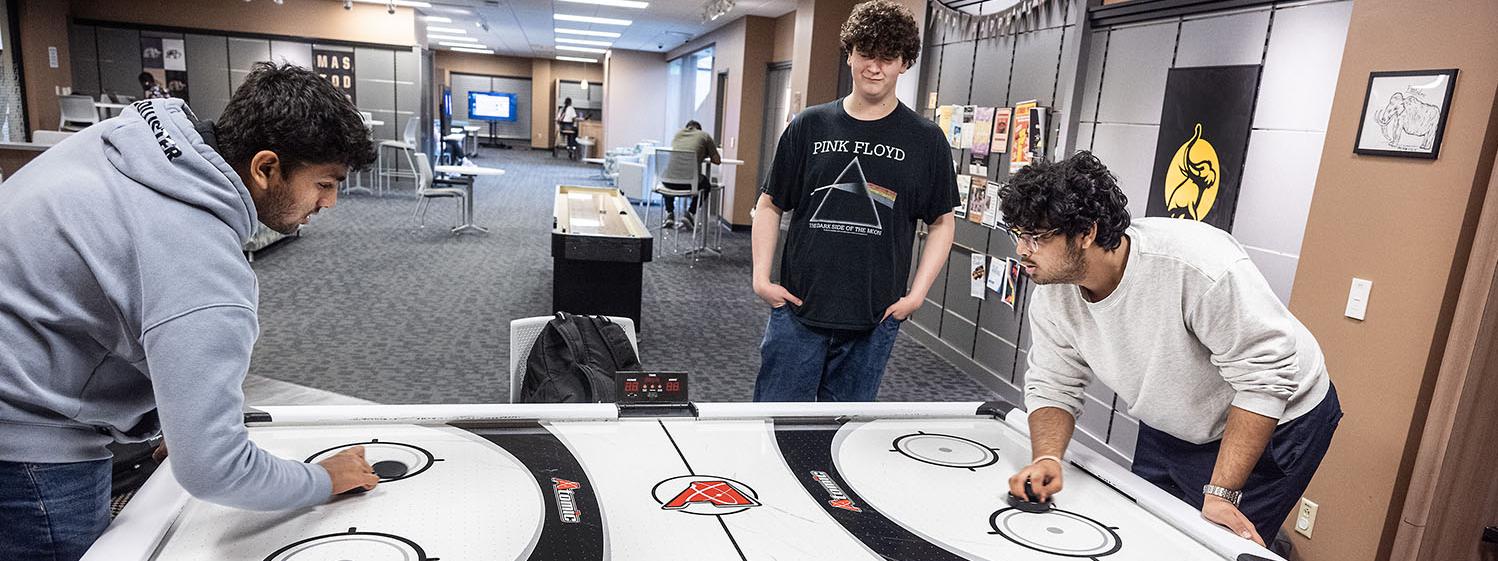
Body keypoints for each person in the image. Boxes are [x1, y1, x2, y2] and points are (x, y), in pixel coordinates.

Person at [0, 62, 380, 561]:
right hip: (28, 445)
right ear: (265, 169)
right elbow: (215, 470)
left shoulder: (133, 137)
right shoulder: (204, 267)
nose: (329, 203)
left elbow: (106, 283)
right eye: (325, 184)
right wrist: (322, 479)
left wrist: (171, 421)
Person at [997, 152, 1342, 547]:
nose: (1022, 250)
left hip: (1279, 415)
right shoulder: (1053, 294)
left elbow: (1264, 377)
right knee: (1146, 532)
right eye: (1017, 235)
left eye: (1036, 238)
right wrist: (1047, 457)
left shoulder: (1196, 266)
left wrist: (1222, 492)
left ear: (1086, 233)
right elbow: (1053, 384)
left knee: (1215, 544)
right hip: (1178, 414)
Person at [751, 0, 957, 402]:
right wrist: (761, 278)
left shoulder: (925, 139)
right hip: (797, 311)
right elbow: (770, 203)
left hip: (874, 318)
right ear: (849, 54)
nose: (874, 68)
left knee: (841, 439)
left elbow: (942, 221)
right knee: (771, 427)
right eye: (865, 53)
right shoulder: (808, 125)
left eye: (887, 57)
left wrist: (916, 296)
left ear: (904, 63)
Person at [659, 120, 721, 229]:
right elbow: (717, 160)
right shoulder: (704, 136)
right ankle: (690, 213)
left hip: (668, 183)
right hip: (689, 183)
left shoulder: (678, 135)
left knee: (670, 175)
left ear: (687, 128)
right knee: (706, 184)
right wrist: (705, 152)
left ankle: (669, 213)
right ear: (699, 129)